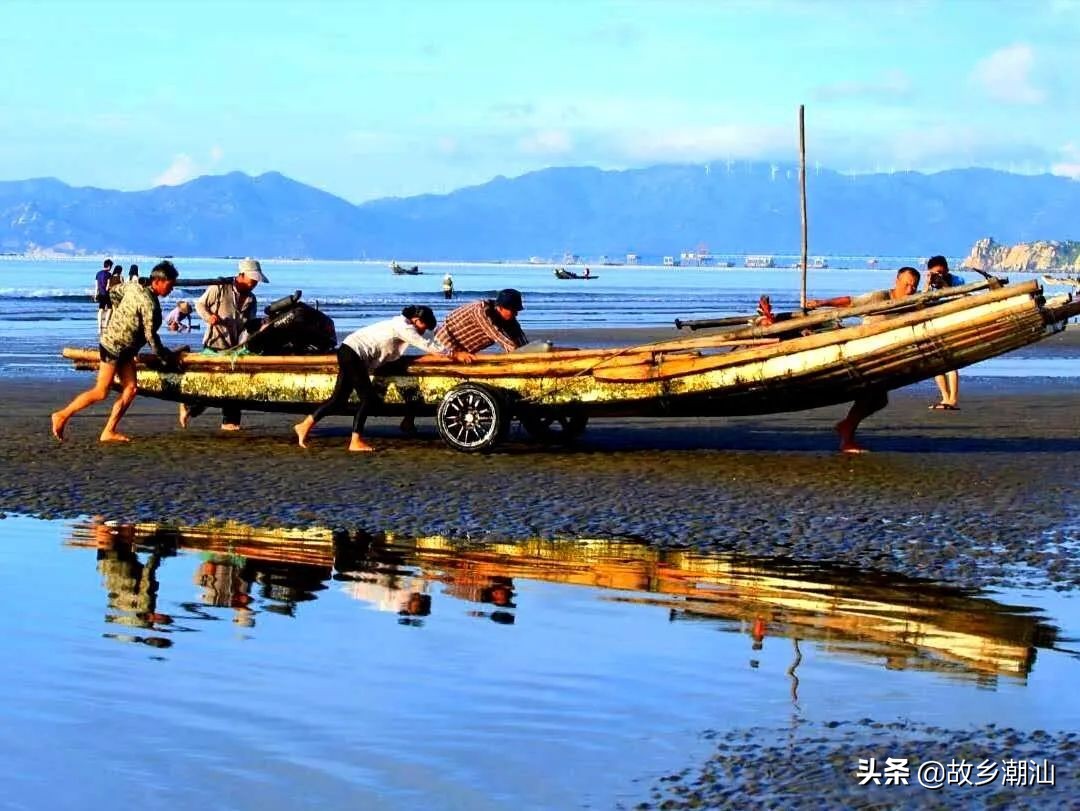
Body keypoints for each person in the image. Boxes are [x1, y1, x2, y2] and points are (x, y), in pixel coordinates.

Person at [293, 305, 473, 452]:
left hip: (349, 352)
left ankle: (304, 425)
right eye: (423, 326)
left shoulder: (400, 324)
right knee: (368, 399)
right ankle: (355, 441)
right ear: (416, 320)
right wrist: (455, 354)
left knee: (338, 399)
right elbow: (426, 345)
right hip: (353, 354)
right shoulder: (404, 328)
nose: (423, 330)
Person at [51, 260, 180, 443]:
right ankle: (62, 415)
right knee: (101, 391)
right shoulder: (151, 306)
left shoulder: (133, 288)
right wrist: (164, 356)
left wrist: (122, 315)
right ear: (158, 281)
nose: (172, 289)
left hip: (125, 350)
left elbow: (114, 292)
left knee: (131, 389)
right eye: (170, 284)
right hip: (113, 347)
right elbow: (151, 336)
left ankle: (108, 431)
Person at [805, 266, 921, 454]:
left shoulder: (913, 302)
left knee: (879, 400)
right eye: (906, 285)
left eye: (914, 286)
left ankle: (847, 429)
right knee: (873, 396)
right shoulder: (880, 297)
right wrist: (821, 302)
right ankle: (847, 434)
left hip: (887, 356)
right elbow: (851, 302)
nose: (909, 290)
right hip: (865, 354)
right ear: (897, 281)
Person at [181, 258, 267, 431]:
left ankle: (230, 421)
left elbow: (248, 324)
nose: (254, 284)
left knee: (234, 385)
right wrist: (209, 317)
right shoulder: (219, 288)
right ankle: (188, 407)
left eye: (256, 281)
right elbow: (200, 304)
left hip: (236, 347)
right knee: (211, 386)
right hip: (215, 343)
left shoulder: (252, 299)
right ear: (241, 275)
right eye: (252, 280)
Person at [925, 255, 965, 411]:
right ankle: (945, 398)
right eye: (935, 273)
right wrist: (928, 285)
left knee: (951, 363)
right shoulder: (931, 283)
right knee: (937, 365)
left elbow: (960, 298)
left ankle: (953, 399)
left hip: (952, 323)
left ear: (947, 270)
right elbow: (923, 301)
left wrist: (943, 285)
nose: (938, 275)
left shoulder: (957, 280)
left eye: (941, 272)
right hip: (935, 325)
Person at [435, 288, 528, 354]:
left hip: (465, 351)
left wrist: (530, 350)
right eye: (513, 311)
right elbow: (499, 337)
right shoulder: (481, 311)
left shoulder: (506, 316)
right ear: (500, 307)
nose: (516, 314)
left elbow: (519, 337)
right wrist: (520, 355)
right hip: (444, 344)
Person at [93, 259, 114, 334]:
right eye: (111, 266)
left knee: (100, 310)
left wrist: (95, 294)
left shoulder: (98, 273)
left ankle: (99, 327)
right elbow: (108, 286)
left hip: (100, 294)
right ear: (109, 266)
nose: (111, 268)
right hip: (107, 294)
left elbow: (96, 286)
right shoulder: (109, 274)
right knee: (110, 309)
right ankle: (105, 325)